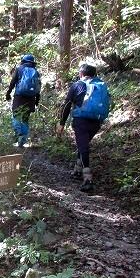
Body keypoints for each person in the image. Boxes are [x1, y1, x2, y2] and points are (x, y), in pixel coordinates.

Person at [56, 63, 110, 193]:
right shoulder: (101, 85)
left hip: (81, 120)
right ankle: (77, 170)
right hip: (96, 120)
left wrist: (62, 123)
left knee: (83, 146)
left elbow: (67, 105)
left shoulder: (77, 85)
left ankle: (87, 179)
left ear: (81, 74)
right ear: (94, 74)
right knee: (83, 144)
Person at [5, 54, 41, 147]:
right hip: (31, 99)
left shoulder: (19, 69)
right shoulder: (36, 72)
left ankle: (18, 134)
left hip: (19, 97)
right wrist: (37, 101)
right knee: (25, 119)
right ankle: (23, 142)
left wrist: (8, 93)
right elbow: (38, 88)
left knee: (16, 116)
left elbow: (13, 82)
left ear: (23, 61)